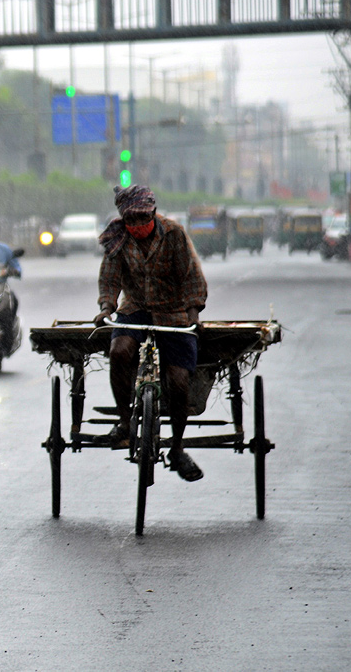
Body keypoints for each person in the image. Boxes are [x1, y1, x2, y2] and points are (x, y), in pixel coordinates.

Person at [93, 185, 208, 482]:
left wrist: (194, 313)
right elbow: (110, 279)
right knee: (119, 352)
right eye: (133, 222)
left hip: (173, 311)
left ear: (154, 214)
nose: (139, 227)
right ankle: (124, 420)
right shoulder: (117, 238)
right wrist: (107, 308)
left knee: (179, 380)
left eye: (145, 220)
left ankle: (178, 448)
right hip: (136, 308)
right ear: (124, 221)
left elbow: (192, 275)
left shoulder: (174, 233)